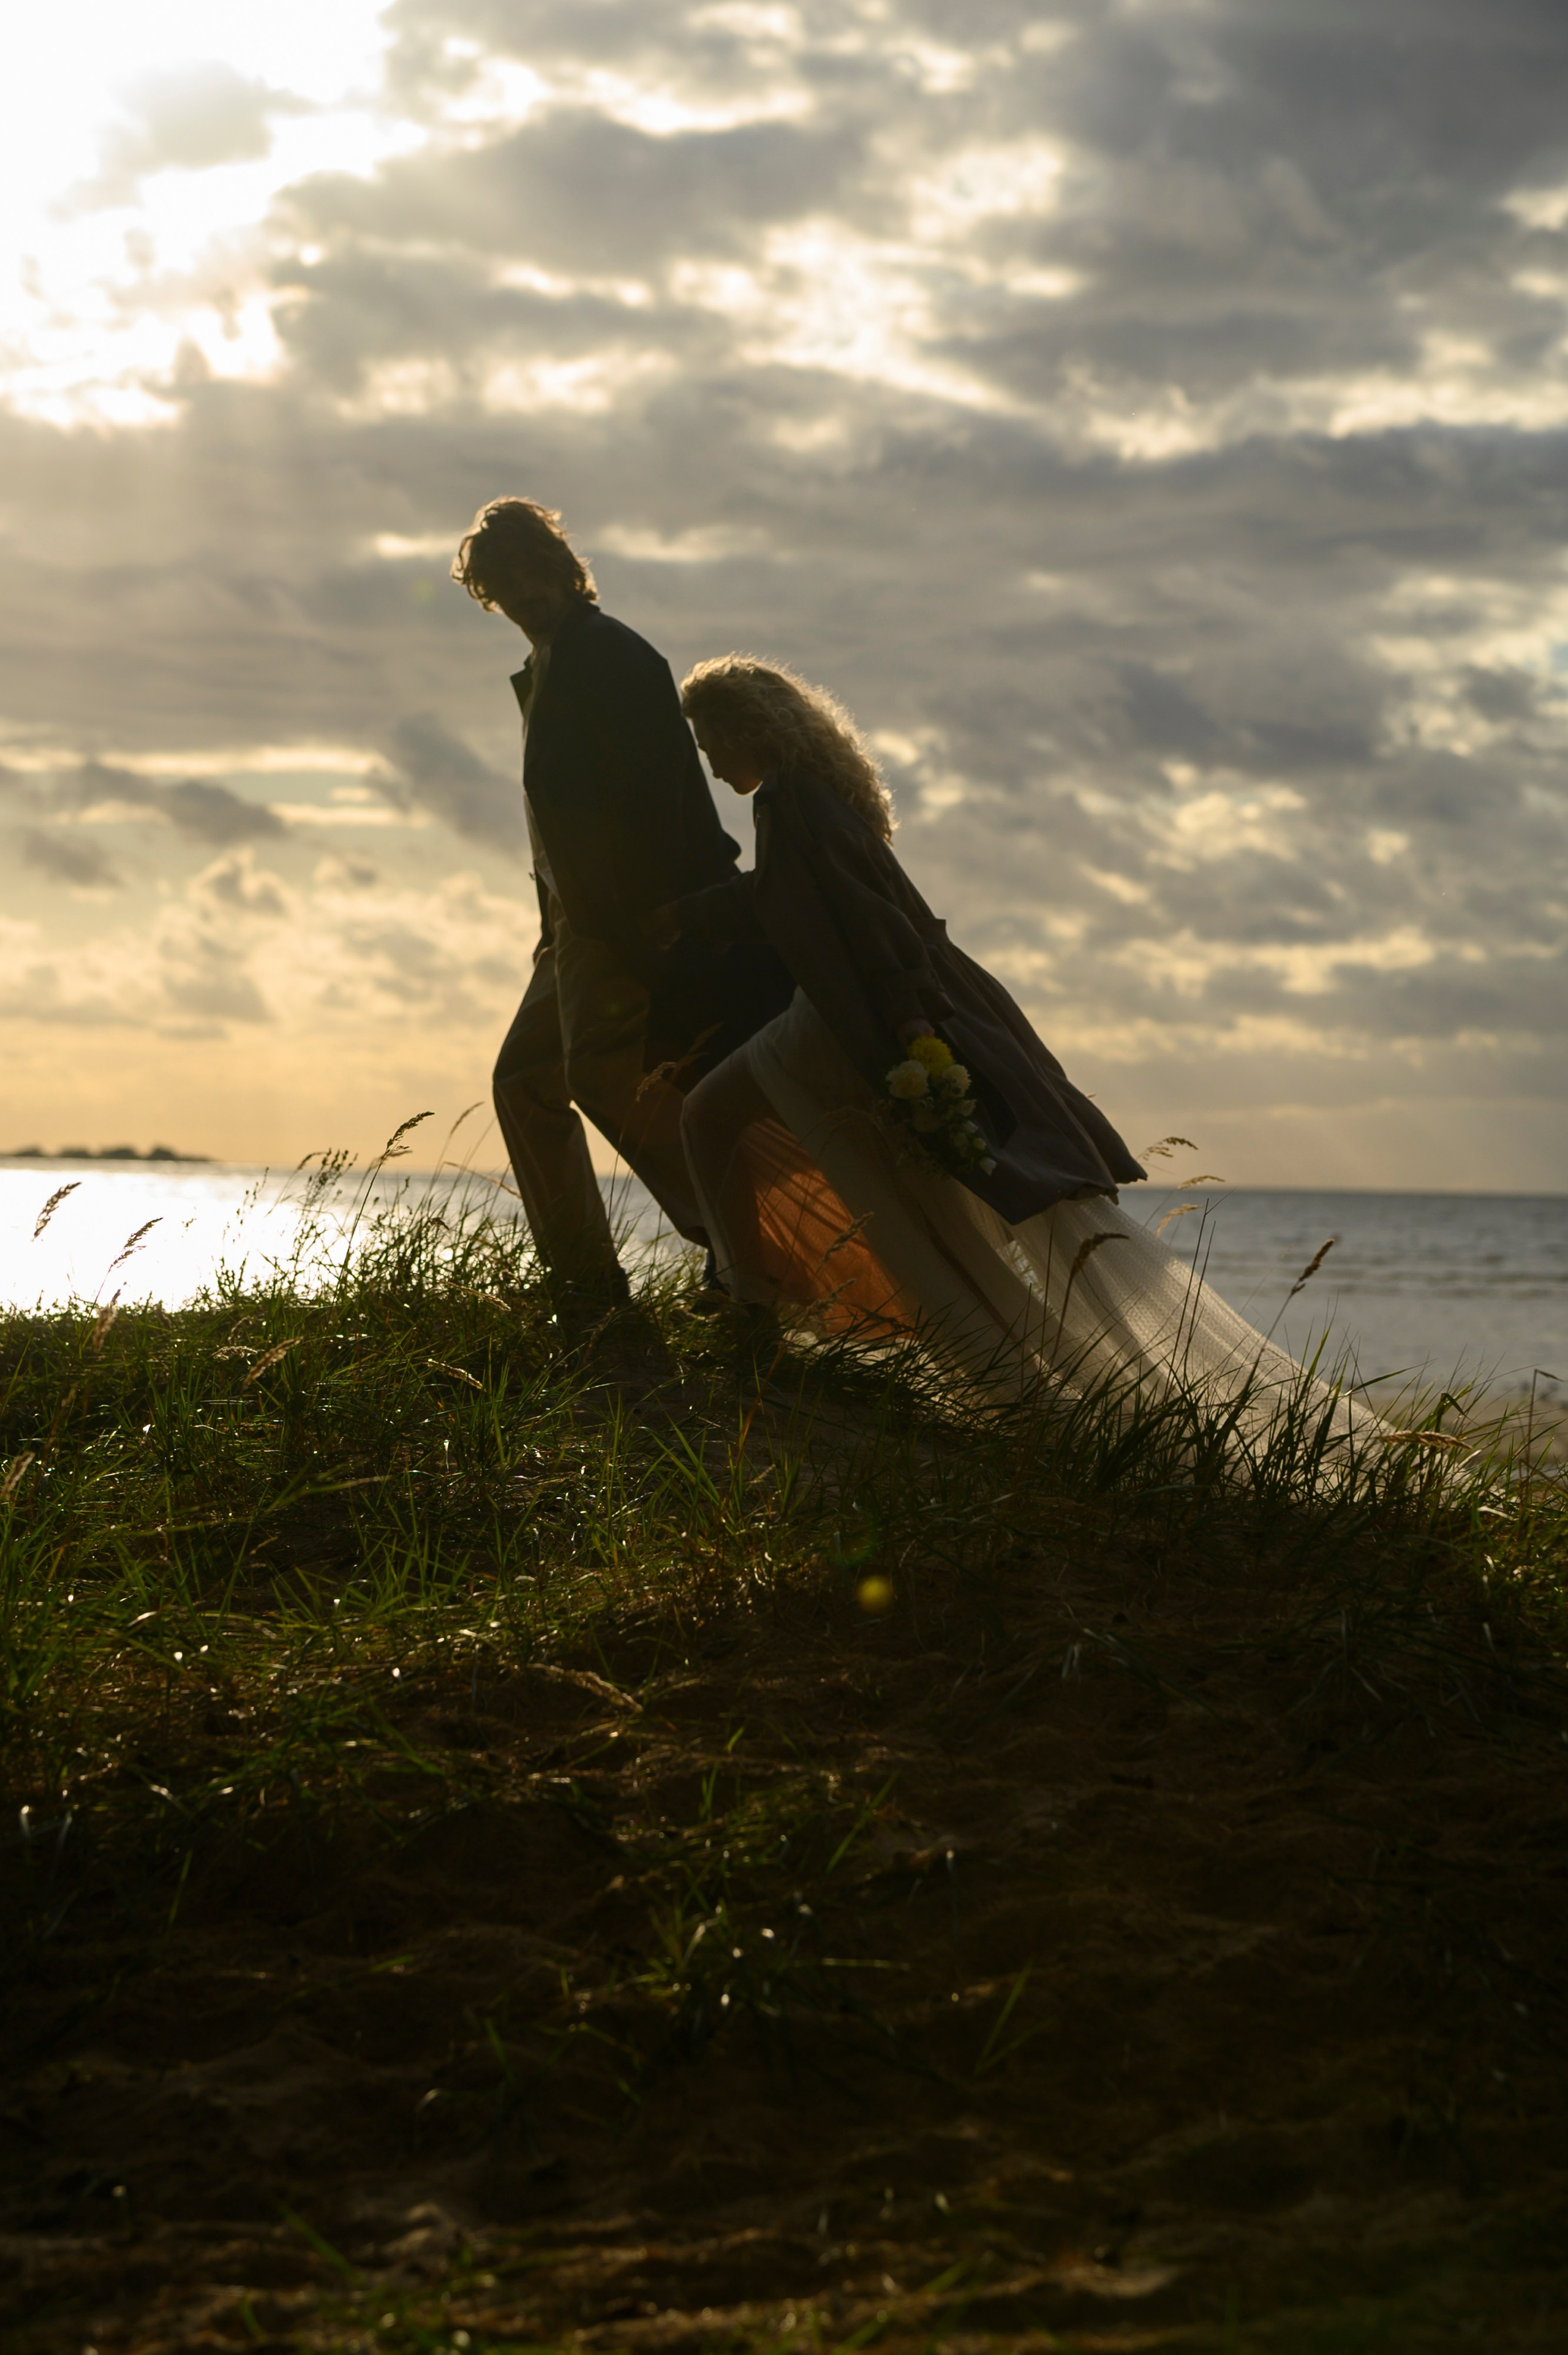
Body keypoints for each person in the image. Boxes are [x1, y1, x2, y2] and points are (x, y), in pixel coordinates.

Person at [653, 656, 1365, 1425]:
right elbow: (779, 900)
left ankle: (750, 1305)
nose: (710, 763)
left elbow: (873, 920)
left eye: (711, 742)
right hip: (853, 1020)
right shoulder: (811, 796)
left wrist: (910, 1022)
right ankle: (814, 1318)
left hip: (838, 1027)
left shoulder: (793, 802)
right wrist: (688, 917)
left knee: (710, 1118)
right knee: (913, 1207)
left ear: (746, 730)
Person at [451, 502, 791, 1318]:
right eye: (503, 581)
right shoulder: (548, 665)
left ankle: (746, 1250)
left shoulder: (609, 654)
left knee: (600, 1077)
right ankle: (587, 1284)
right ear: (488, 594)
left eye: (533, 570)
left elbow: (661, 800)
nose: (522, 590)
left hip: (625, 913)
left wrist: (657, 921)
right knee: (523, 1082)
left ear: (563, 568)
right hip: (573, 920)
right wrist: (555, 924)